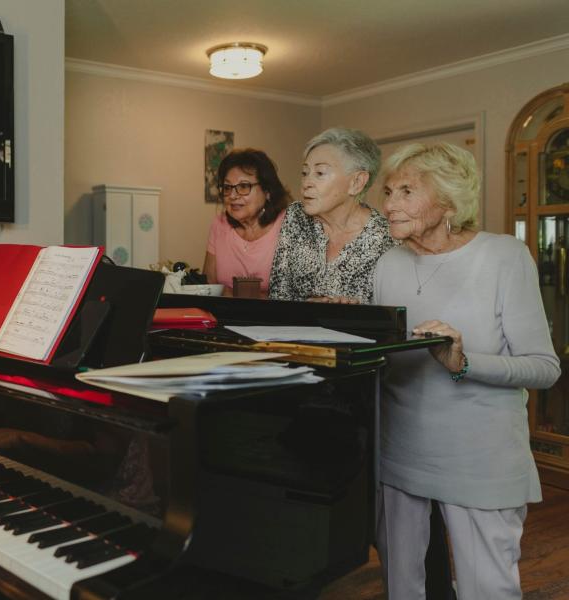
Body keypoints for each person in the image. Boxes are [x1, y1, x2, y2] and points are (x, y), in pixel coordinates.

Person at [373, 142, 560, 599]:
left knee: (487, 588)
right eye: (389, 191)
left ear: (449, 201)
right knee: (402, 585)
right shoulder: (387, 263)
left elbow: (543, 368)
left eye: (407, 191)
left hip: (479, 458)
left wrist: (465, 361)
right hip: (400, 450)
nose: (390, 204)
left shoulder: (504, 257)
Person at [268, 127, 393, 303]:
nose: (306, 183)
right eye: (305, 173)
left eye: (320, 173)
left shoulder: (386, 238)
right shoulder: (296, 216)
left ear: (356, 182)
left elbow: (390, 316)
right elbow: (278, 296)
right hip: (295, 330)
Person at [203, 148, 289, 296]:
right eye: (228, 187)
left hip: (273, 317)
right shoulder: (219, 224)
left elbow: (297, 295)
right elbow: (207, 286)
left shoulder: (288, 225)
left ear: (267, 191)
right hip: (224, 316)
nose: (233, 195)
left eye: (243, 186)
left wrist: (238, 296)